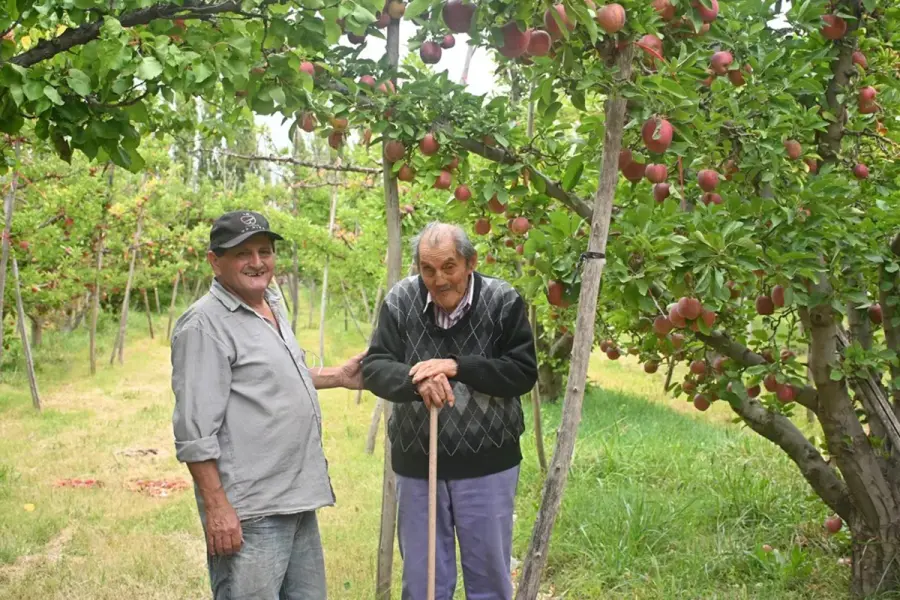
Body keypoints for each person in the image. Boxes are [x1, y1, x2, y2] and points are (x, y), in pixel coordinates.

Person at [170, 210, 364, 600]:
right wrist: (217, 507)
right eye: (243, 253)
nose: (257, 262)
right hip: (250, 510)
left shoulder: (270, 305)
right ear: (215, 261)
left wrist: (339, 376)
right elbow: (195, 433)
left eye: (265, 251)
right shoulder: (204, 326)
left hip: (296, 497)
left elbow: (277, 379)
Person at [362, 222, 538, 600]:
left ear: (470, 262)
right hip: (417, 463)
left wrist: (458, 366)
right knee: (424, 584)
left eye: (448, 267)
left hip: (487, 464)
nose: (438, 279)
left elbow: (522, 373)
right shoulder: (400, 300)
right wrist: (417, 381)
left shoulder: (503, 300)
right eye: (427, 269)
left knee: (490, 580)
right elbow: (375, 366)